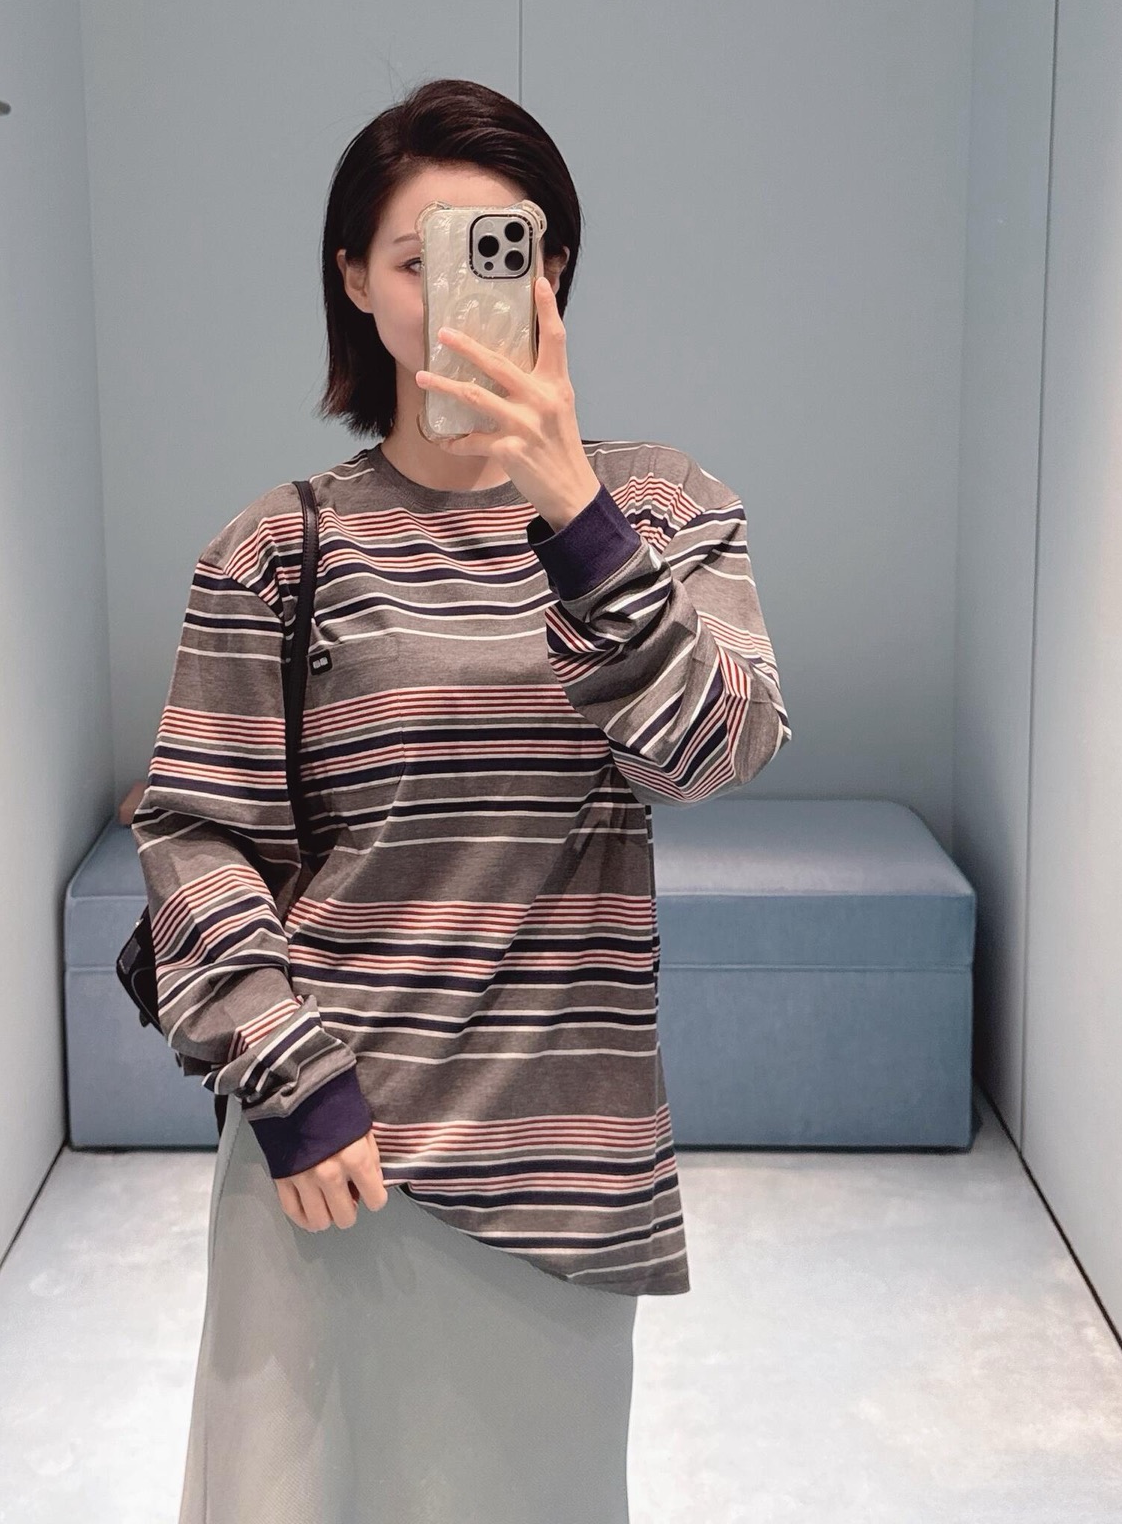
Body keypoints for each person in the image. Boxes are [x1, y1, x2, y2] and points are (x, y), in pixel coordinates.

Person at [130, 77, 792, 1523]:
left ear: (553, 271)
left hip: (559, 1172)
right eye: (415, 259)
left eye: (498, 251)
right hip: (329, 1149)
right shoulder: (279, 546)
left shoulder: (664, 509)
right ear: (355, 281)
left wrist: (575, 516)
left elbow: (717, 748)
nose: (452, 296)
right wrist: (290, 1078)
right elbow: (193, 833)